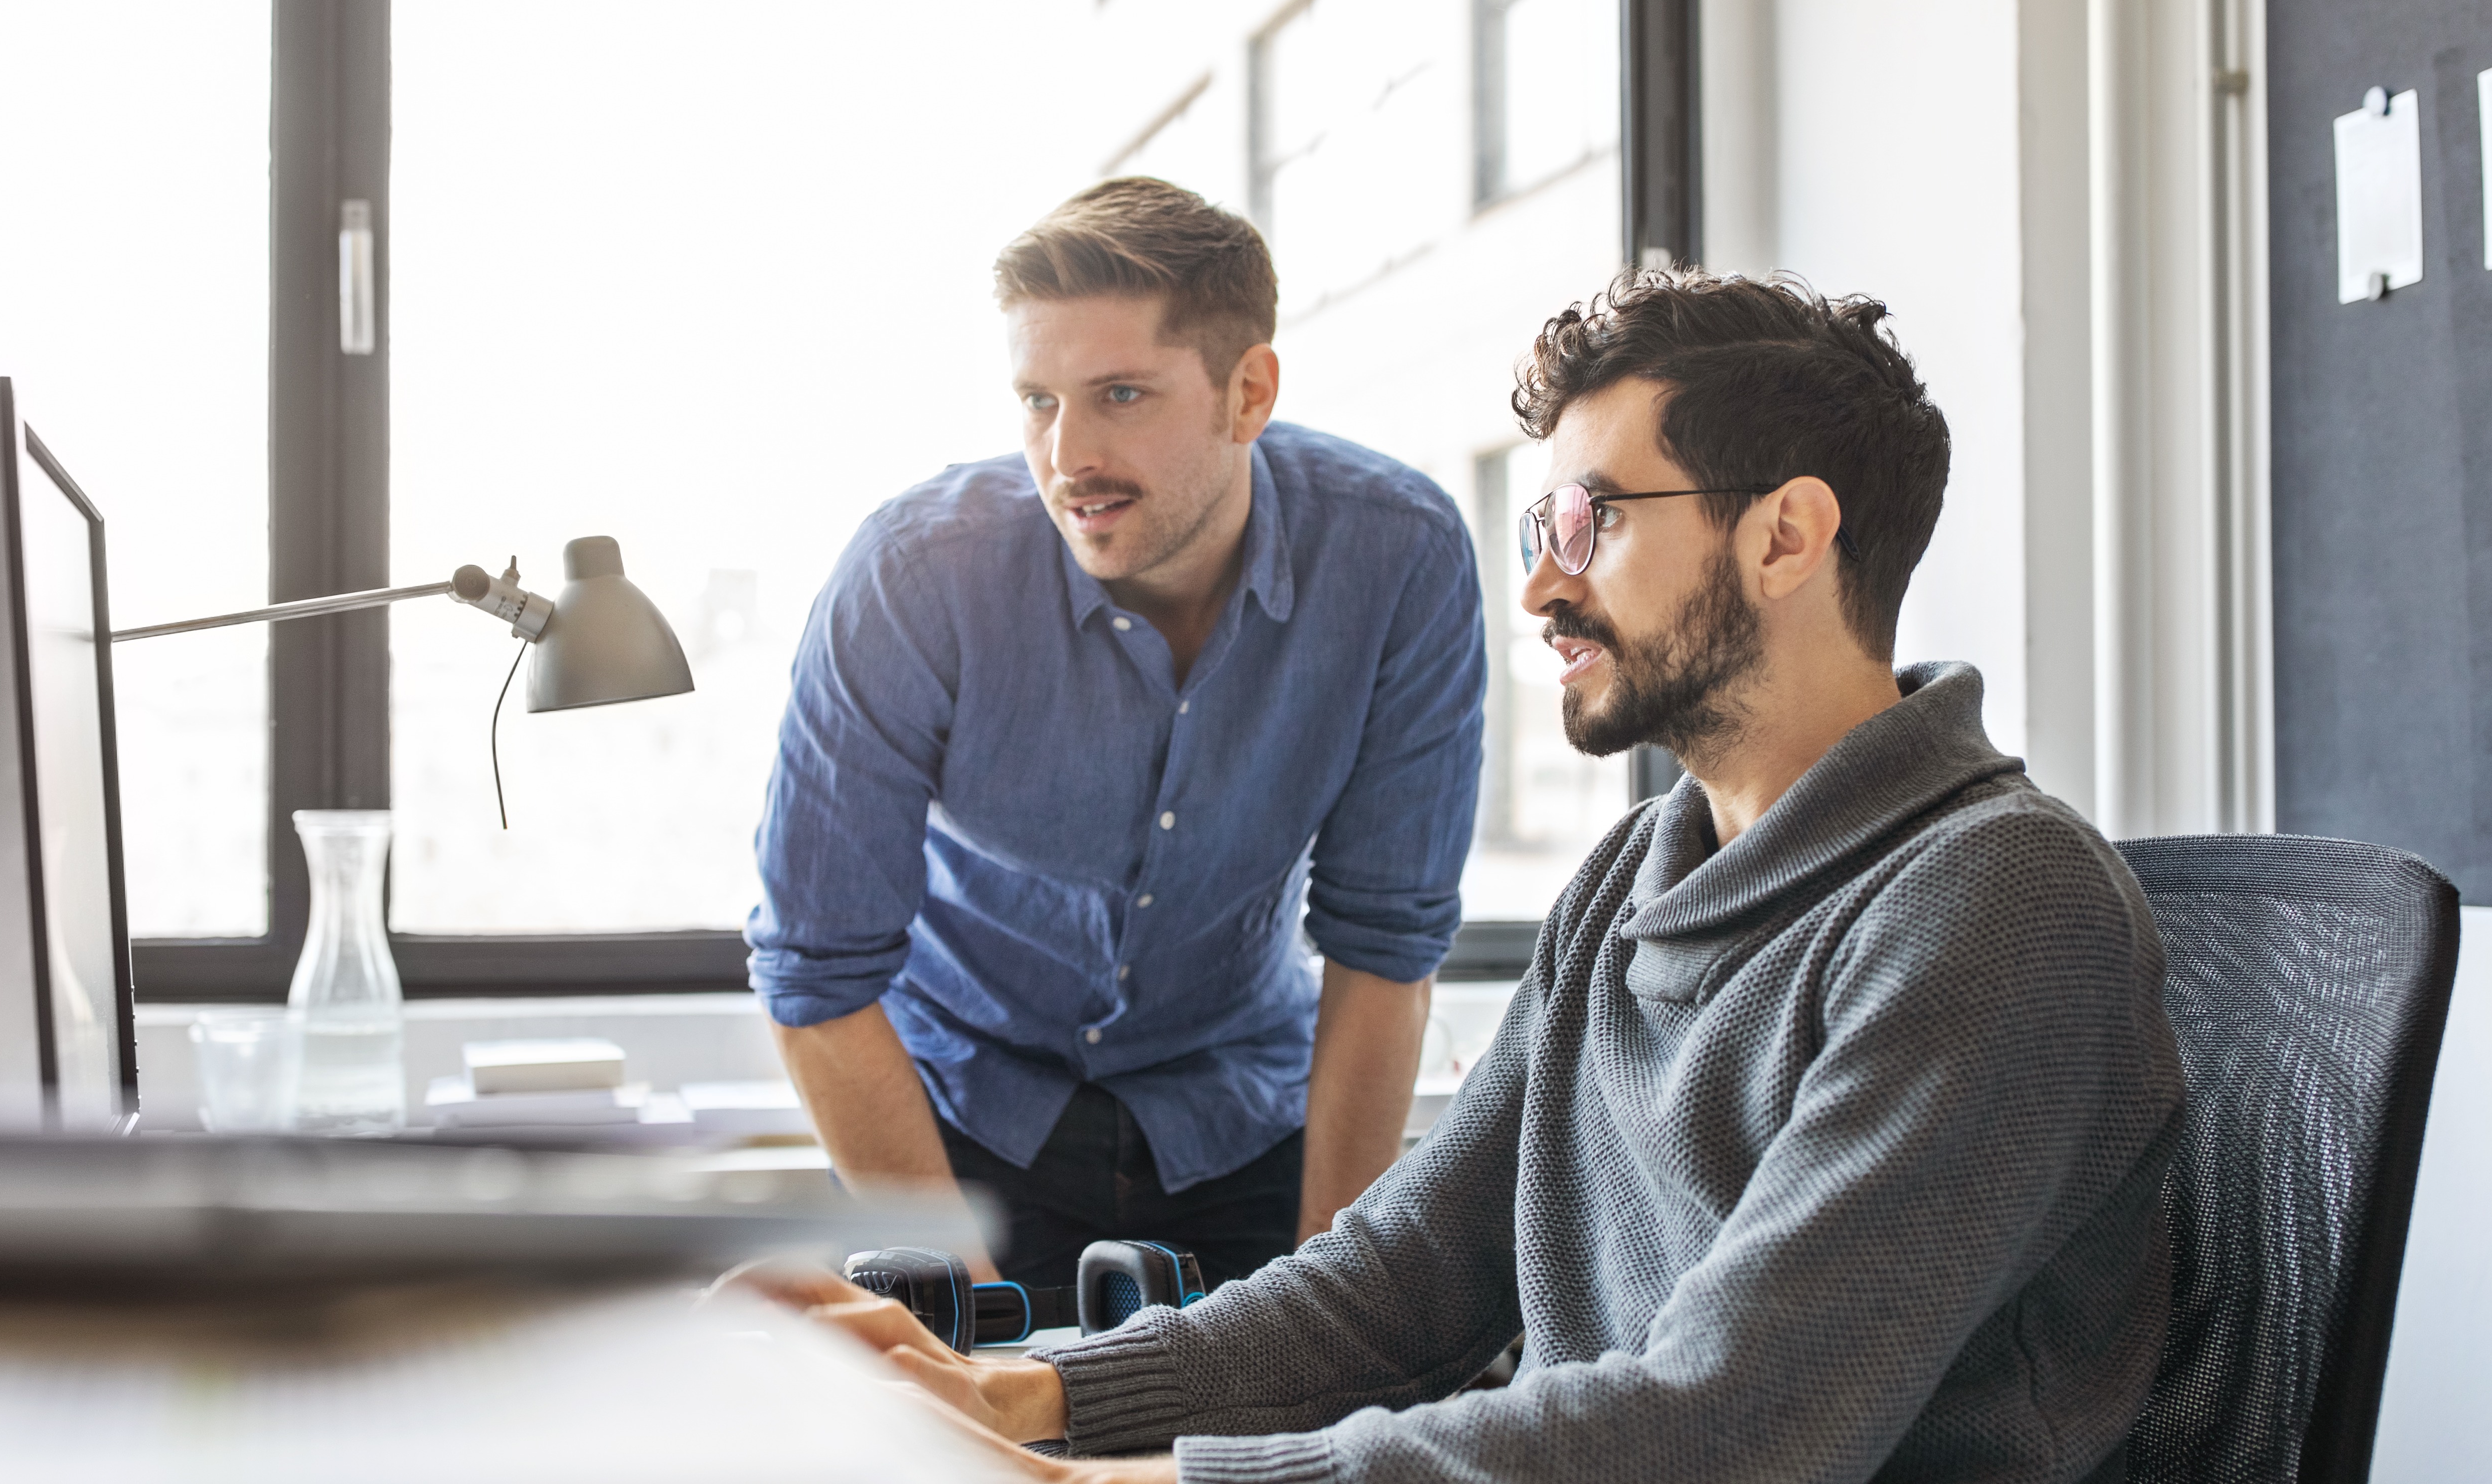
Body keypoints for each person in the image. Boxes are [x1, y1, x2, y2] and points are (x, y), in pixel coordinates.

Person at [734, 268, 2186, 1484]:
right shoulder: (1636, 878)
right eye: (1541, 529)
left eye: (1593, 520)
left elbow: (1726, 1426)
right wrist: (1026, 1391)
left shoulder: (1995, 907)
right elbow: (1406, 1275)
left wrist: (1130, 1482)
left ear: (1785, 535)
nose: (1544, 584)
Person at [748, 177, 1485, 1290]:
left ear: (1249, 392)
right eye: (1038, 400)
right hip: (960, 1123)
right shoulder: (913, 577)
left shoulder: (1400, 557)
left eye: (1121, 394)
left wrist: (1334, 1312)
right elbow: (816, 971)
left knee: (1298, 1402)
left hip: (1243, 1117)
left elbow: (1385, 946)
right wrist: (970, 1320)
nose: (1067, 456)